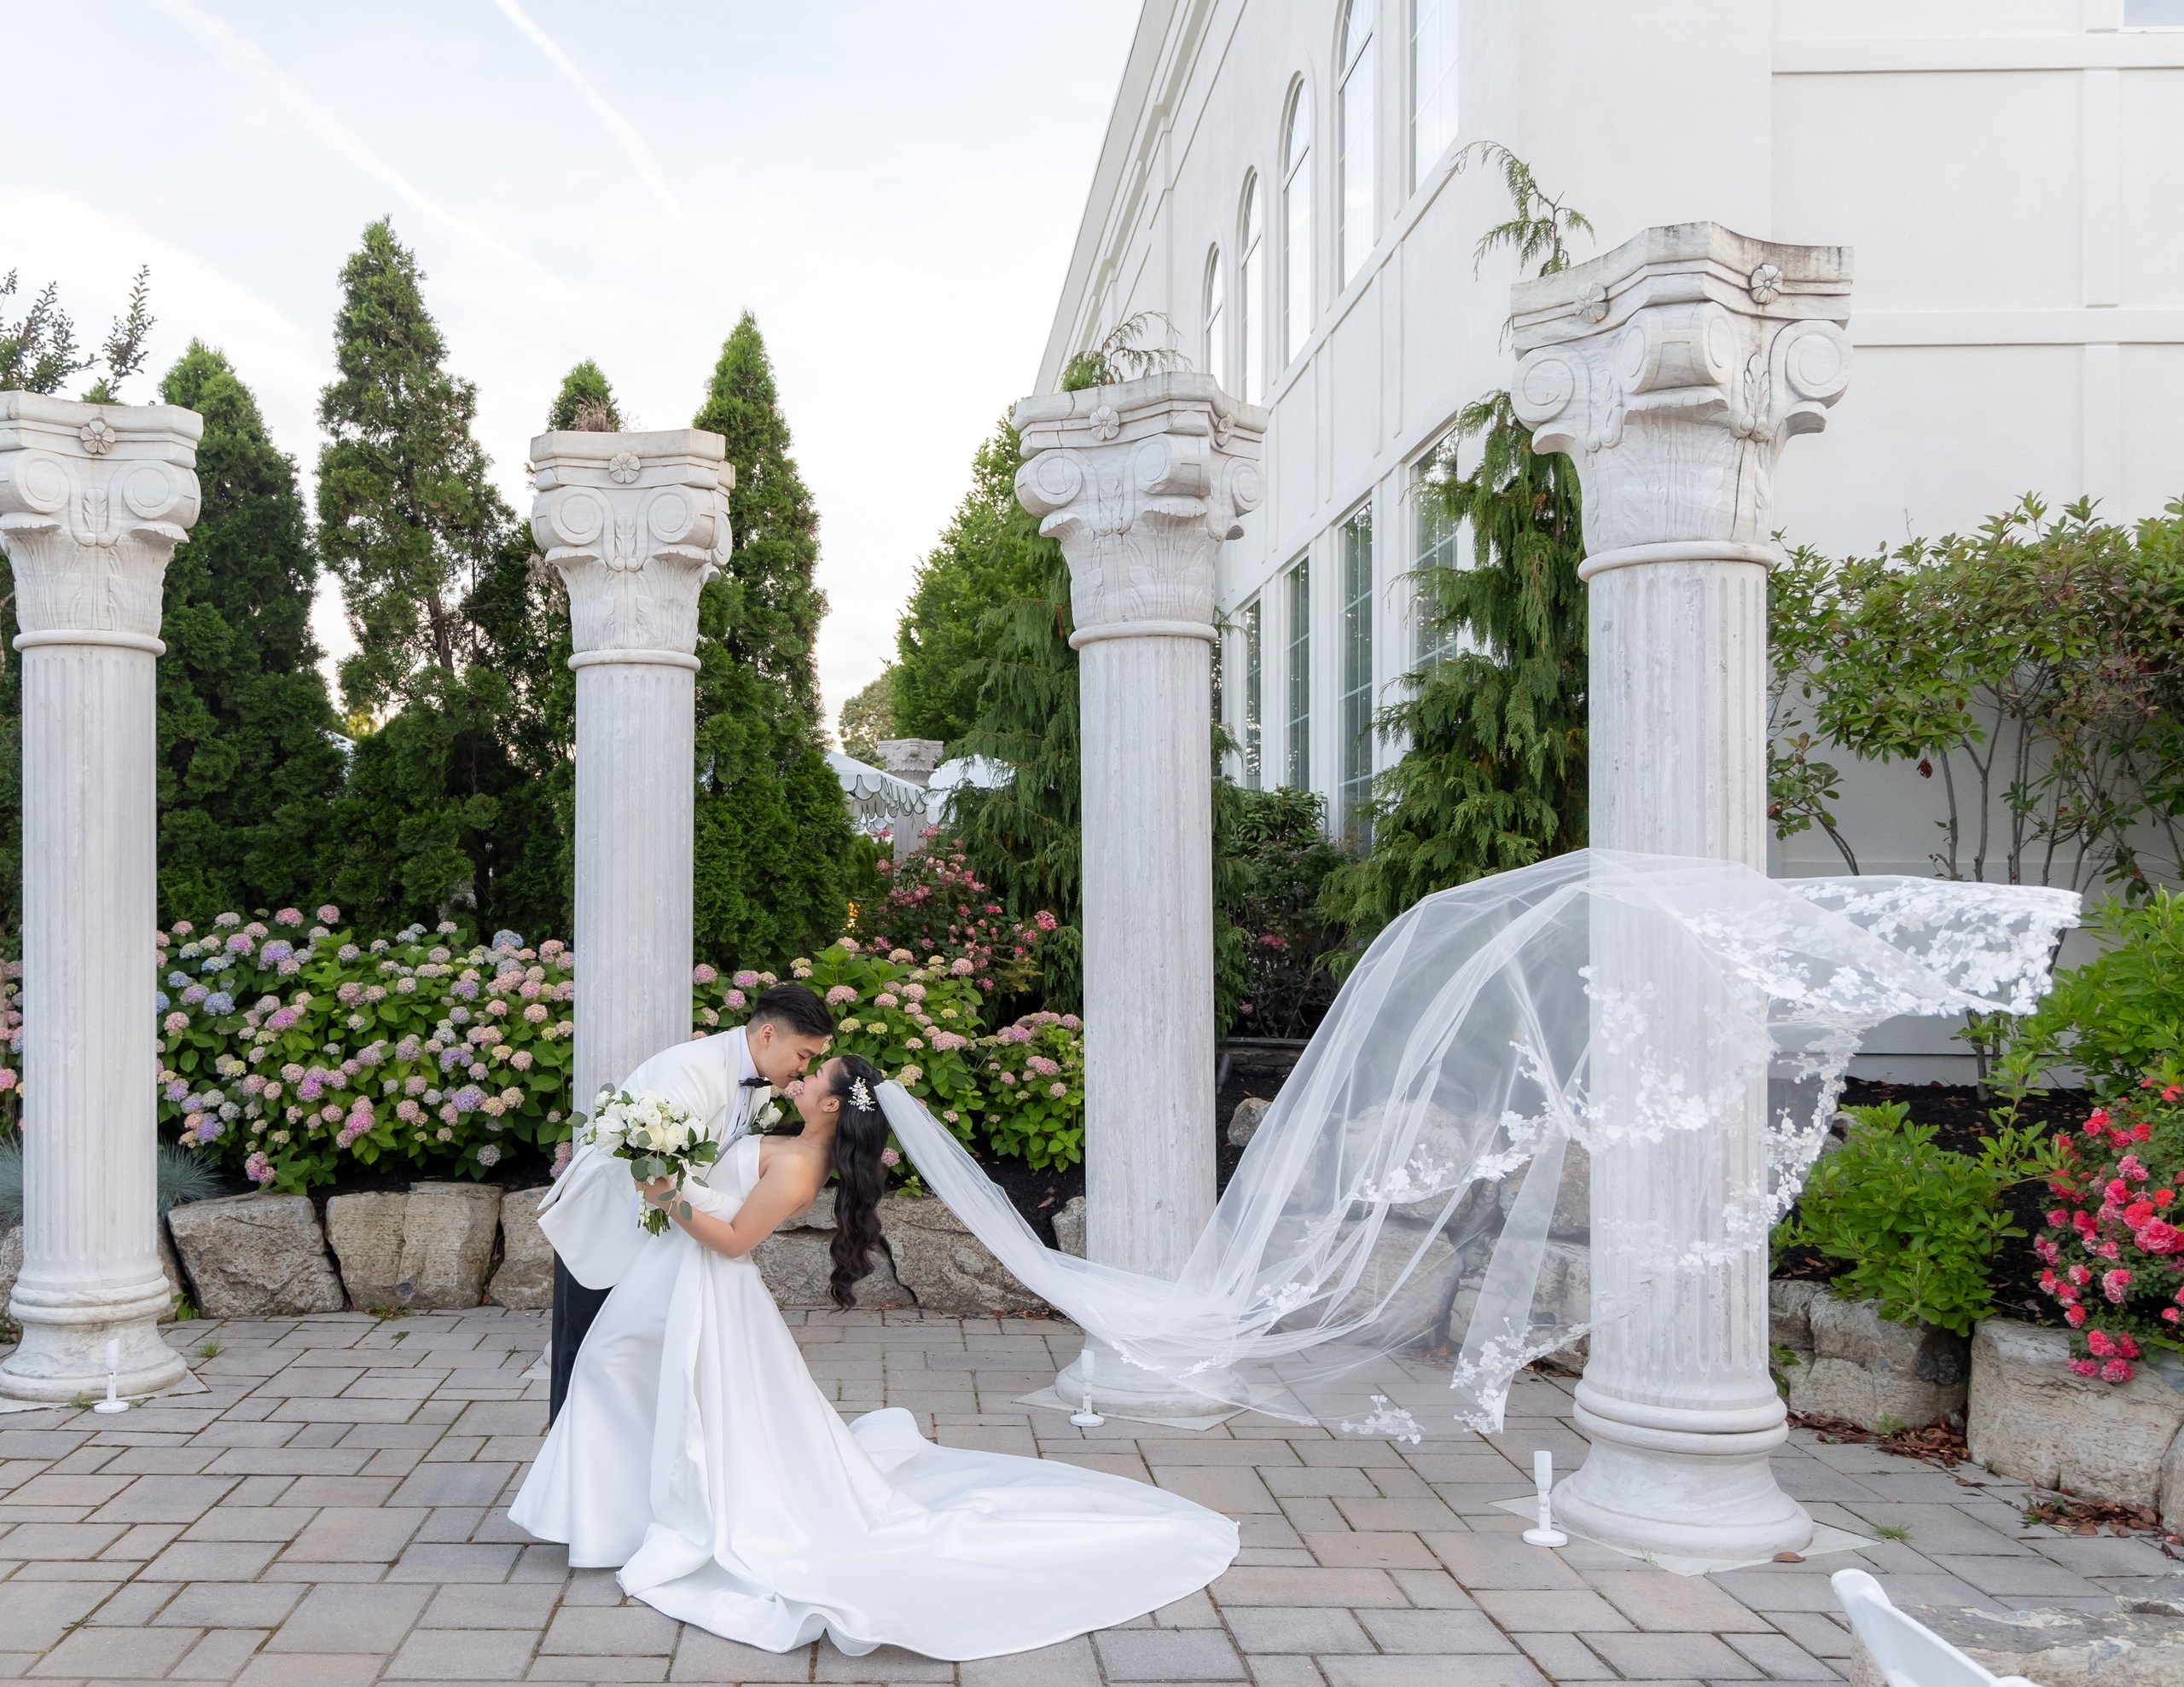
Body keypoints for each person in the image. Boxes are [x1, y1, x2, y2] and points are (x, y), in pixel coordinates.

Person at [510, 1052, 1238, 1661]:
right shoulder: (782, 1131)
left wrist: (667, 1196)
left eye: (811, 1077)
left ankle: (627, 1520)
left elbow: (734, 1241)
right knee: (626, 1381)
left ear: (831, 1107)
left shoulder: (801, 1165)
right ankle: (619, 1516)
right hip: (672, 1280)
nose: (796, 1079)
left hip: (708, 1288)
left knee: (632, 1382)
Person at [539, 983, 835, 1420]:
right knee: (583, 1357)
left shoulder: (759, 1080)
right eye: (804, 1055)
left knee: (629, 1372)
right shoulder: (691, 1071)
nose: (804, 1068)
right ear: (768, 1035)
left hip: (661, 1238)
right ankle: (563, 1474)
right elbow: (661, 1171)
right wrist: (739, 1222)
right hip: (608, 1227)